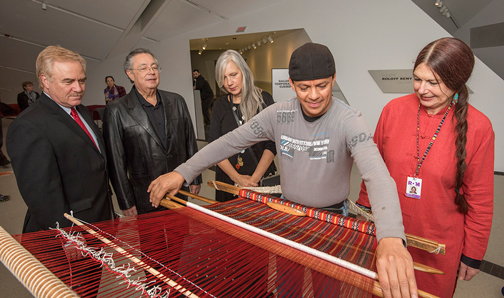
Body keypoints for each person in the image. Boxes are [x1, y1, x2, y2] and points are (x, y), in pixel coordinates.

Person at [149, 43, 418, 298]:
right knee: (287, 287)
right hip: (287, 217)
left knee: (327, 291)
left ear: (334, 79)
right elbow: (228, 142)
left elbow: (376, 174)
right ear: (291, 84)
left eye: (322, 86)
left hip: (330, 222)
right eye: (304, 88)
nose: (314, 96)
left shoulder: (349, 121)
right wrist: (182, 172)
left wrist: (392, 237)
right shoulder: (278, 114)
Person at [356, 37, 494, 298]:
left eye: (433, 82)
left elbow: (481, 198)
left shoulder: (479, 127)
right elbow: (373, 172)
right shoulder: (393, 110)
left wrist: (473, 253)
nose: (422, 89)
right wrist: (362, 214)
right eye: (417, 79)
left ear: (457, 82)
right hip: (387, 236)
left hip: (438, 248)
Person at [6, 45, 115, 297]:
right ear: (44, 81)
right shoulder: (29, 125)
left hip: (94, 224)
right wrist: (68, 236)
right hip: (66, 240)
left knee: (89, 289)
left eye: (81, 80)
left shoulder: (81, 110)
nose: (78, 88)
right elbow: (40, 192)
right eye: (68, 81)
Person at [103, 48, 201, 216]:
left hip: (177, 189)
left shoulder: (177, 101)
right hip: (145, 194)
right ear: (130, 74)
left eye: (154, 67)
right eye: (143, 68)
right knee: (152, 241)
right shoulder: (117, 110)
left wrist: (195, 177)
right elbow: (116, 162)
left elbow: (189, 141)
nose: (151, 72)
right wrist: (125, 201)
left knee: (181, 236)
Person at [209, 50, 276, 202]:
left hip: (261, 179)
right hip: (228, 180)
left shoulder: (264, 100)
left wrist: (253, 180)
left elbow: (273, 143)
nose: (229, 83)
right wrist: (237, 178)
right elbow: (214, 147)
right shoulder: (219, 106)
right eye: (224, 78)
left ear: (244, 72)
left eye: (233, 75)